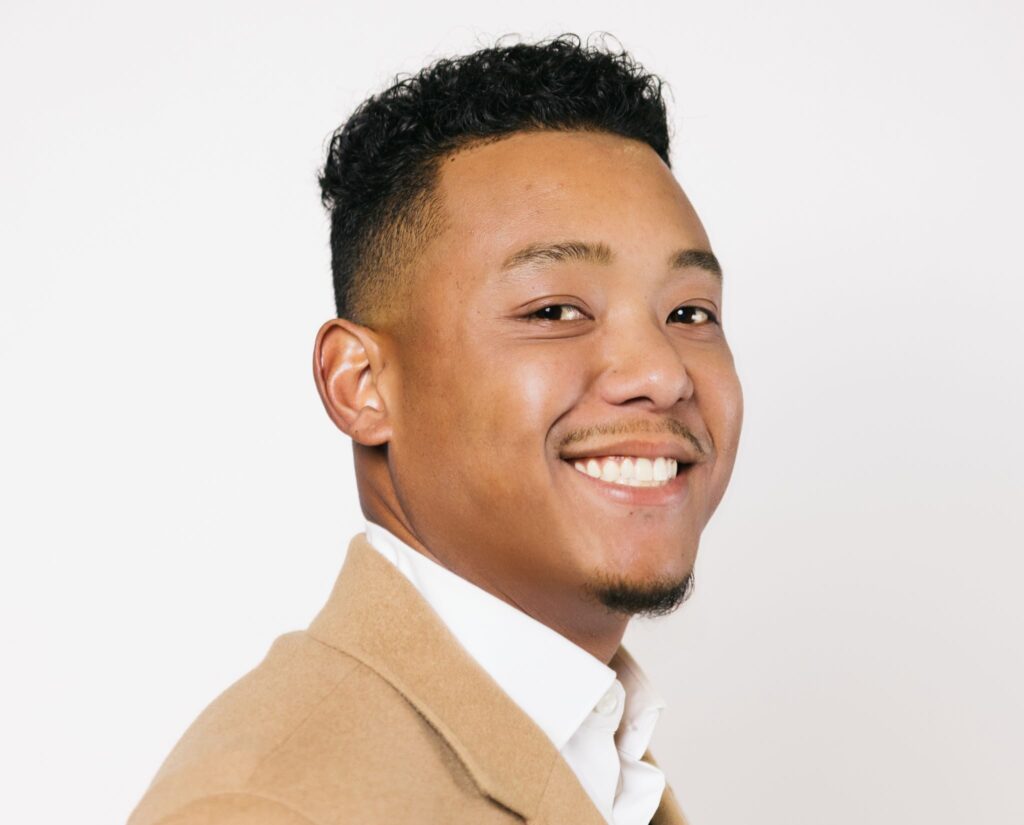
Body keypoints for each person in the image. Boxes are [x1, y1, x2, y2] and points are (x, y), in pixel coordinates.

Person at [127, 33, 743, 825]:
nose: (661, 372)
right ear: (361, 383)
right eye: (555, 310)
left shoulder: (596, 743)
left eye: (689, 312)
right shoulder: (267, 807)